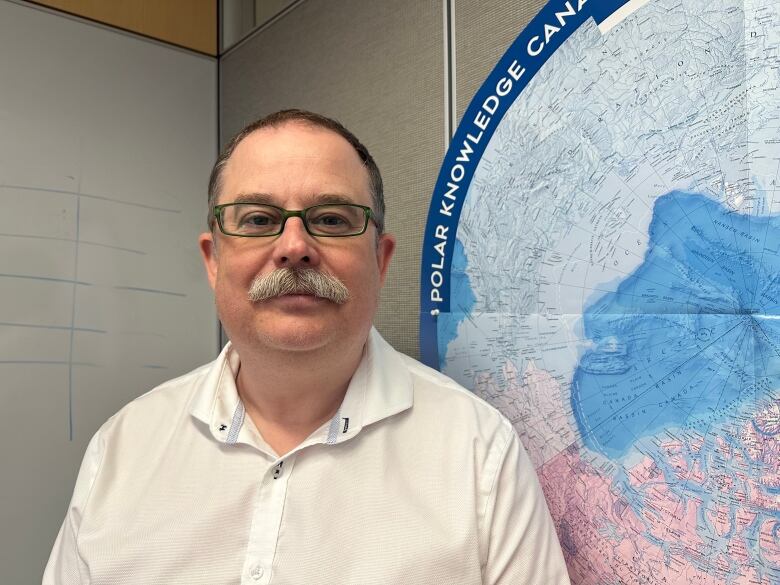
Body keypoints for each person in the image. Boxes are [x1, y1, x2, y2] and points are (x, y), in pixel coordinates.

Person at [43, 109, 570, 585]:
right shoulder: (120, 450)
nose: (294, 247)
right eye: (256, 220)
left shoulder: (481, 455)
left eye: (332, 220)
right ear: (213, 260)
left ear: (380, 261)